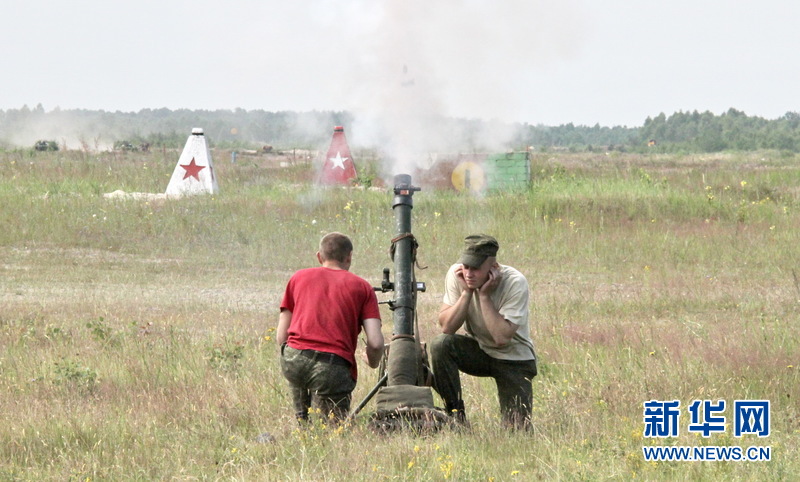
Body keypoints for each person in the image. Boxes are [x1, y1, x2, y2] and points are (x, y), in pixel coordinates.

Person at [430, 234, 537, 429]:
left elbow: (501, 338)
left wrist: (485, 296)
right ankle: (456, 417)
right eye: (466, 266)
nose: (469, 274)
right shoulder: (457, 275)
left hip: (513, 358)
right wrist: (467, 292)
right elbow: (447, 327)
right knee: (441, 344)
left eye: (476, 268)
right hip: (480, 350)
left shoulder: (515, 282)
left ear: (493, 267)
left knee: (517, 430)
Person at [277, 232, 384, 423]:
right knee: (331, 430)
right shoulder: (362, 287)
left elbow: (281, 337)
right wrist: (372, 362)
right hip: (332, 366)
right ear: (349, 257)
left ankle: (302, 423)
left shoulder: (298, 278)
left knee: (303, 421)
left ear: (319, 256)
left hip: (294, 359)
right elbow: (375, 343)